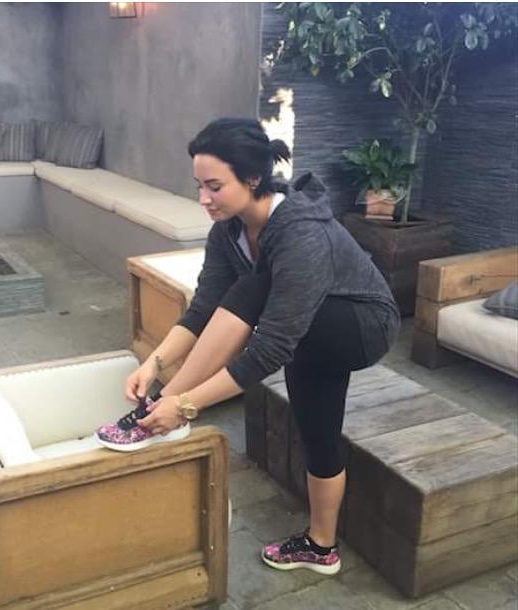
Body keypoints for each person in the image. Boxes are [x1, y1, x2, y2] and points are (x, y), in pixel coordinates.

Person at [95, 117, 400, 575]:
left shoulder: (301, 232)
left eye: (215, 186)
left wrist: (187, 404)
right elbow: (204, 308)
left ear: (253, 178)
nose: (204, 198)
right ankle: (322, 548)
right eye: (199, 186)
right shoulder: (228, 231)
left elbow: (269, 348)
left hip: (362, 326)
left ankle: (163, 407)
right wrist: (154, 363)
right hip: (306, 329)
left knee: (254, 287)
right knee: (318, 433)